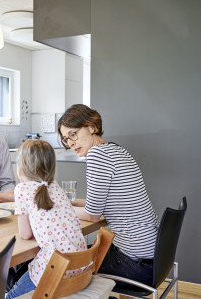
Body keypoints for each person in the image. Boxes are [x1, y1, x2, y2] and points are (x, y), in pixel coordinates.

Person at [57, 104, 159, 286]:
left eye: (73, 134)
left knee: (59, 266)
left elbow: (93, 215)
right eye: (66, 139)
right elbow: (105, 204)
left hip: (134, 262)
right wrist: (70, 203)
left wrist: (56, 209)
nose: (70, 143)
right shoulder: (116, 150)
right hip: (153, 258)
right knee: (72, 257)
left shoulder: (97, 155)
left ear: (91, 127)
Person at [6, 140, 87, 299]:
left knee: (10, 296)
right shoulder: (55, 186)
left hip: (55, 269)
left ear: (20, 169)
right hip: (80, 266)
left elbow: (25, 234)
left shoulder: (22, 189)